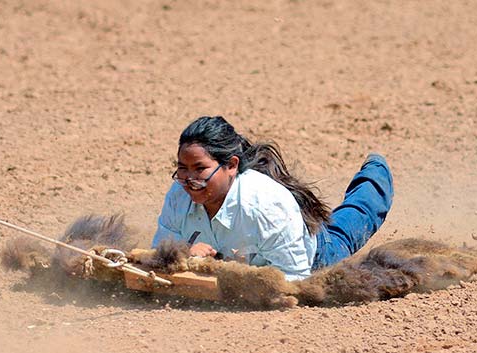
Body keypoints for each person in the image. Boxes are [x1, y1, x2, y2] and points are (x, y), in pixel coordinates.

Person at [152, 116, 393, 281]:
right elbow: (158, 258)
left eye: (200, 168)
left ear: (231, 165)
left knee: (352, 221)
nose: (189, 179)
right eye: (182, 168)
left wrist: (229, 275)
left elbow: (295, 279)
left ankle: (376, 170)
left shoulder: (264, 206)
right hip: (268, 244)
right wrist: (185, 253)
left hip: (315, 254)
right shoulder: (178, 195)